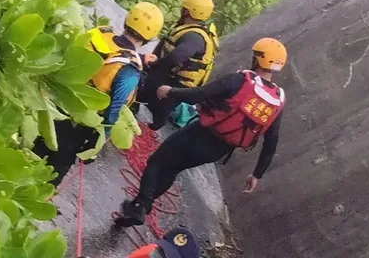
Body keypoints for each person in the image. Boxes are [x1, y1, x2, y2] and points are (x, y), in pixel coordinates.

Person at [116, 38, 288, 227]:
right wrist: (257, 174)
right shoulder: (277, 101)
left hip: (200, 134)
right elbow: (272, 141)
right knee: (173, 168)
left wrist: (169, 91)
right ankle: (138, 207)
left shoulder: (239, 80)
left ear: (257, 59)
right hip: (219, 150)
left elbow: (197, 95)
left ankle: (140, 205)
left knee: (157, 161)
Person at [33, 1, 164, 186]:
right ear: (151, 37)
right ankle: (39, 197)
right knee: (57, 164)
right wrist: (98, 141)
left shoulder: (101, 32)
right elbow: (114, 107)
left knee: (35, 146)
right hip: (80, 121)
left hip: (56, 98)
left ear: (127, 20)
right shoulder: (130, 70)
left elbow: (104, 55)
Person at [139, 0, 220, 129]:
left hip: (178, 85)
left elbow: (176, 57)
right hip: (175, 79)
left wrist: (155, 65)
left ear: (187, 11)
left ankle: (154, 120)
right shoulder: (193, 29)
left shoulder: (195, 36)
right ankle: (155, 115)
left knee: (145, 80)